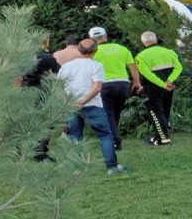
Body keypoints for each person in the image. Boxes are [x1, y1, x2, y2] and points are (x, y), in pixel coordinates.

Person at [57, 38, 127, 175]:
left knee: (75, 137)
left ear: (79, 49)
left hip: (71, 105)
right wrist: (84, 101)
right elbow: (97, 88)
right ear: (95, 50)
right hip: (93, 105)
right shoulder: (96, 65)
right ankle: (112, 167)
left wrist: (68, 101)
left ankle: (76, 169)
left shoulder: (66, 66)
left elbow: (58, 86)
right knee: (105, 136)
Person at [88, 27, 142, 151]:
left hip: (105, 85)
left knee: (108, 114)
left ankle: (115, 141)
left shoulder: (93, 52)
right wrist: (137, 82)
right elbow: (133, 67)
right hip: (123, 84)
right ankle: (114, 138)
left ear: (91, 39)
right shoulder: (122, 48)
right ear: (105, 36)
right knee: (115, 113)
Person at [135, 31, 183, 146]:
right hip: (169, 87)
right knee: (165, 111)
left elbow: (147, 75)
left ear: (143, 42)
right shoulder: (170, 52)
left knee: (155, 113)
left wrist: (162, 84)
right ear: (156, 40)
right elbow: (179, 68)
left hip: (153, 88)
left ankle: (163, 138)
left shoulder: (141, 56)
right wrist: (169, 81)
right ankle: (157, 137)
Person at [20, 36, 61, 162]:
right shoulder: (48, 57)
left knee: (26, 120)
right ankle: (40, 152)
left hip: (24, 91)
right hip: (42, 91)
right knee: (46, 121)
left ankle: (21, 150)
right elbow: (58, 73)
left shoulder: (24, 56)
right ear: (46, 41)